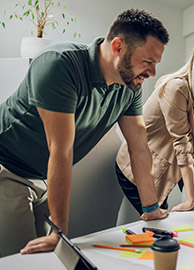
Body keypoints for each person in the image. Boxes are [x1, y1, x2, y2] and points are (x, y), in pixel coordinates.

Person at [0, 9, 169, 257]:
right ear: (119, 47)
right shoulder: (60, 63)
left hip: (44, 177)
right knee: (19, 258)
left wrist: (151, 208)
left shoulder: (129, 87)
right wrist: (60, 233)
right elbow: (61, 150)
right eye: (148, 62)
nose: (152, 72)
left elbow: (139, 147)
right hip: (8, 168)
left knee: (51, 258)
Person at [116, 34, 194, 213]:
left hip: (157, 168)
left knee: (162, 224)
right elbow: (182, 142)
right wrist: (191, 200)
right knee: (158, 225)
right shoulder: (177, 88)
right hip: (135, 169)